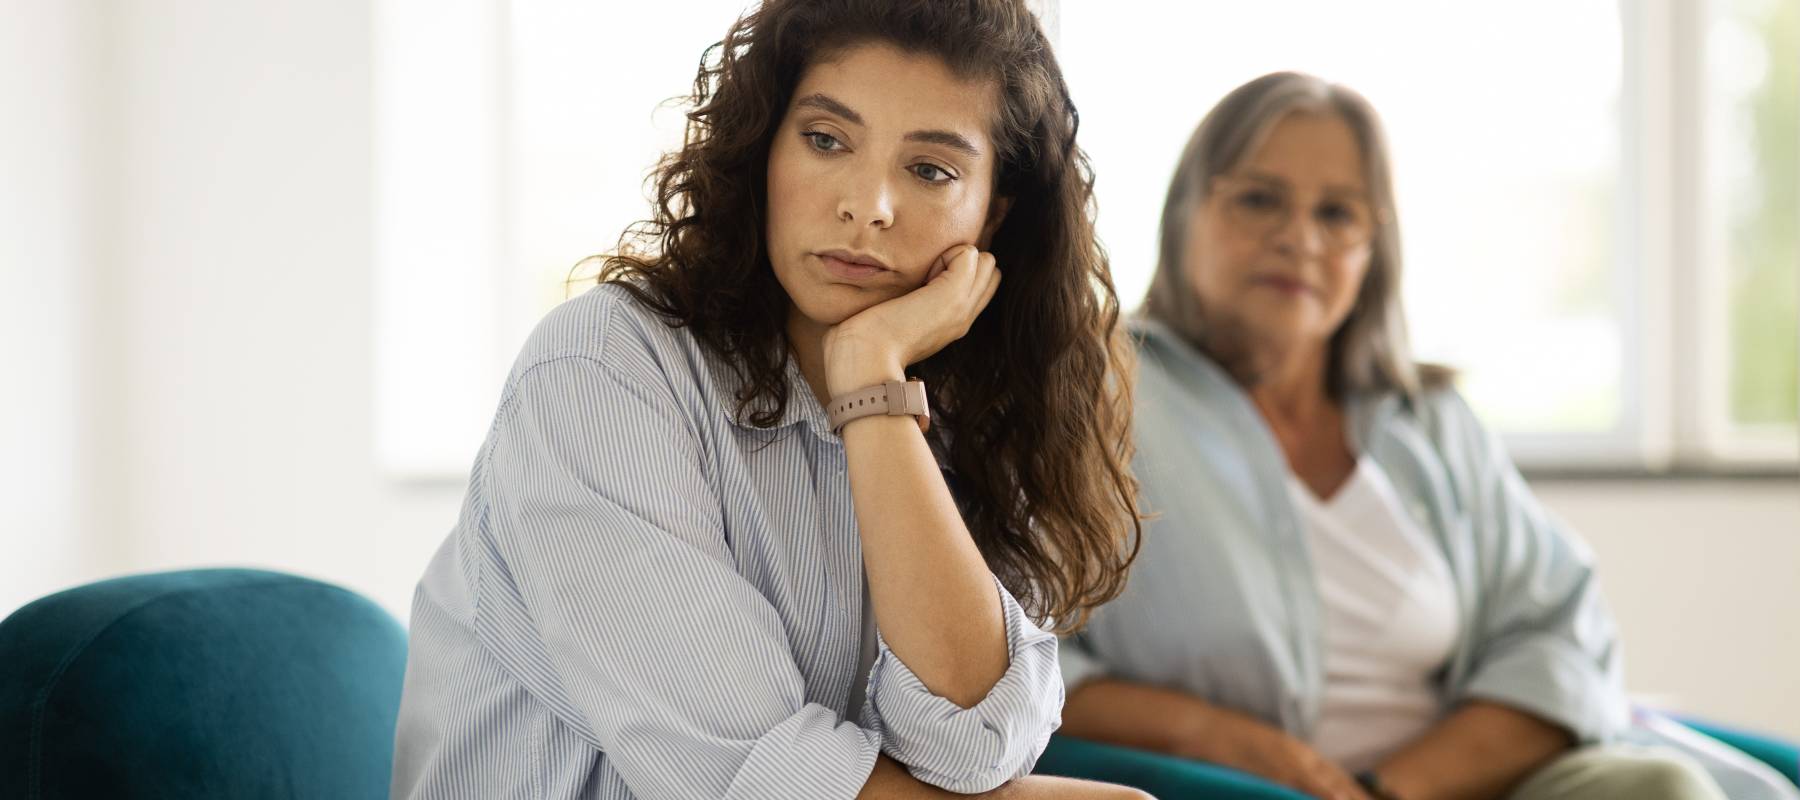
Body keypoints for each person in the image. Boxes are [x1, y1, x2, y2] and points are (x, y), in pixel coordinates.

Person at [389, 1, 1148, 798]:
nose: (869, 205)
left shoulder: (969, 418)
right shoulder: (603, 369)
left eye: (930, 169)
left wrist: (870, 379)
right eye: (826, 140)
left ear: (992, 212)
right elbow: (755, 783)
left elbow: (975, 747)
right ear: (763, 150)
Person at [1057, 71, 1797, 800]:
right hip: (1237, 786)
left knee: (1663, 787)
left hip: (1475, 784)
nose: (1299, 238)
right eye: (1259, 199)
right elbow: (1023, 657)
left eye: (1338, 214)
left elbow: (1559, 638)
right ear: (1184, 211)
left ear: (1373, 248)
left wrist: (1388, 790)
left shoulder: (1430, 418)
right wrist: (1232, 743)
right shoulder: (1092, 397)